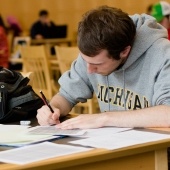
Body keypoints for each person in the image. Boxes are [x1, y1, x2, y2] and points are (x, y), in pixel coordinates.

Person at [37, 6, 170, 129]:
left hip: (155, 148)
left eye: (97, 64)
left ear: (124, 51)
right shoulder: (93, 55)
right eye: (85, 61)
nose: (89, 70)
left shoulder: (163, 53)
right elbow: (66, 95)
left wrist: (104, 118)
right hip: (112, 144)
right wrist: (53, 109)